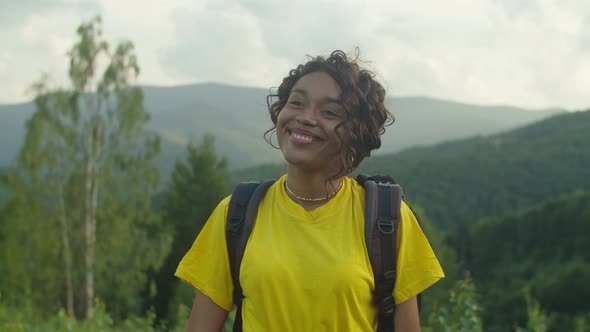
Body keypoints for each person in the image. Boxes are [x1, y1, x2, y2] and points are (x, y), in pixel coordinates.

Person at [175, 50, 444, 331]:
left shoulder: (387, 219)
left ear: (357, 132)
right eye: (296, 103)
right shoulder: (236, 213)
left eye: (329, 112)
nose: (305, 118)